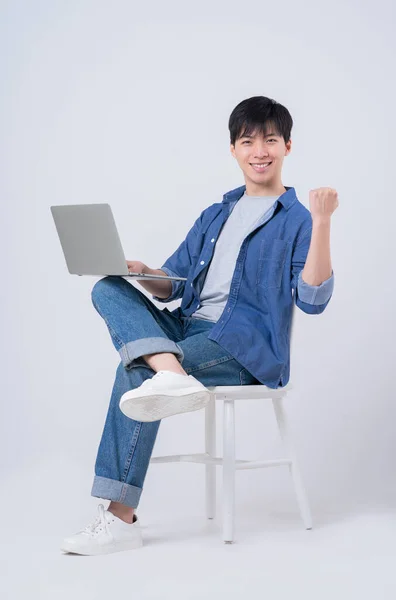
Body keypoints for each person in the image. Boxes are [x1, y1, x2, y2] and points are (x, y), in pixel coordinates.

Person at [61, 96, 338, 555]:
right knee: (108, 287)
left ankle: (120, 518)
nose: (260, 150)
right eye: (248, 141)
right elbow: (173, 285)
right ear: (233, 150)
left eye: (270, 139)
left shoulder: (299, 220)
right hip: (188, 332)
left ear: (287, 145)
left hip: (244, 346)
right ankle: (170, 370)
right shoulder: (216, 215)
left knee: (136, 369)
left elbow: (312, 299)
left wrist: (324, 221)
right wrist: (143, 270)